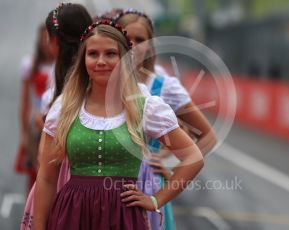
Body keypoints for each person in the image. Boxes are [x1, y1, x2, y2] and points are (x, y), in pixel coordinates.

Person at [33, 19, 204, 230]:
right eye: (93, 54)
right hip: (73, 214)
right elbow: (46, 178)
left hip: (123, 217)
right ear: (83, 60)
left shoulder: (145, 107)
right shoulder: (65, 107)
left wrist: (155, 200)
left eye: (110, 54)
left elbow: (193, 157)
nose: (101, 61)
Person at [114, 9, 217, 229]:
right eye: (126, 37)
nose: (132, 45)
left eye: (140, 40)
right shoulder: (101, 84)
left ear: (150, 46)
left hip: (146, 184)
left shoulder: (164, 87)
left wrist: (168, 164)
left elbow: (207, 135)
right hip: (105, 183)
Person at [20, 3, 93, 230]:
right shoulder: (108, 87)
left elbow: (46, 168)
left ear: (55, 42)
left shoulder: (57, 97)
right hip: (99, 192)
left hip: (66, 187)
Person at [16, 23, 55, 193]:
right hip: (36, 124)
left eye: (50, 39)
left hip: (54, 122)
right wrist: (24, 134)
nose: (46, 43)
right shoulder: (31, 64)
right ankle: (30, 214)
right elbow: (25, 101)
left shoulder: (63, 65)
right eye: (43, 39)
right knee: (34, 173)